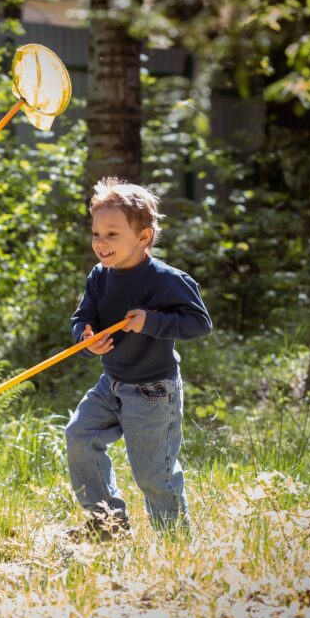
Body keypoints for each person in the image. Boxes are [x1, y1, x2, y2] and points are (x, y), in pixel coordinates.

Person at [64, 177, 212, 539]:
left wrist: (152, 322)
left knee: (152, 474)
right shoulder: (100, 276)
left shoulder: (166, 279)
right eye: (96, 233)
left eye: (112, 234)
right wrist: (86, 338)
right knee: (79, 435)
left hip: (153, 390)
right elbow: (82, 317)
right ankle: (108, 523)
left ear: (143, 237)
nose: (101, 243)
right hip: (111, 382)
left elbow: (200, 323)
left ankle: (175, 542)